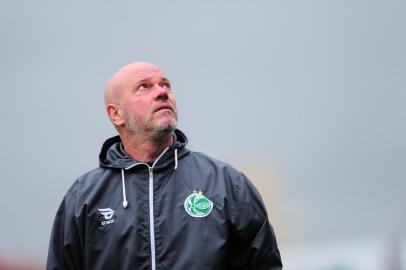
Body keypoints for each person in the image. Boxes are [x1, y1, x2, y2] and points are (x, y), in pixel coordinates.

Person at [46, 62, 283, 270]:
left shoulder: (228, 184)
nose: (162, 93)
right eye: (144, 86)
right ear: (116, 114)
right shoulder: (83, 197)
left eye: (165, 85)